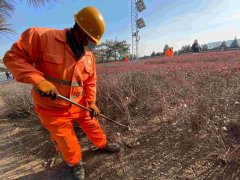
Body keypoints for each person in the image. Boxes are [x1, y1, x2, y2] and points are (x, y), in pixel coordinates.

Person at [3, 6, 120, 180]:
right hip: (52, 108)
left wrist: (92, 102)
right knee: (67, 141)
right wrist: (39, 81)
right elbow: (12, 58)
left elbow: (90, 81)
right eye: (88, 38)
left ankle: (102, 144)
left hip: (79, 104)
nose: (89, 44)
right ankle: (74, 163)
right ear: (80, 29)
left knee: (93, 125)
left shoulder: (89, 57)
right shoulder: (41, 37)